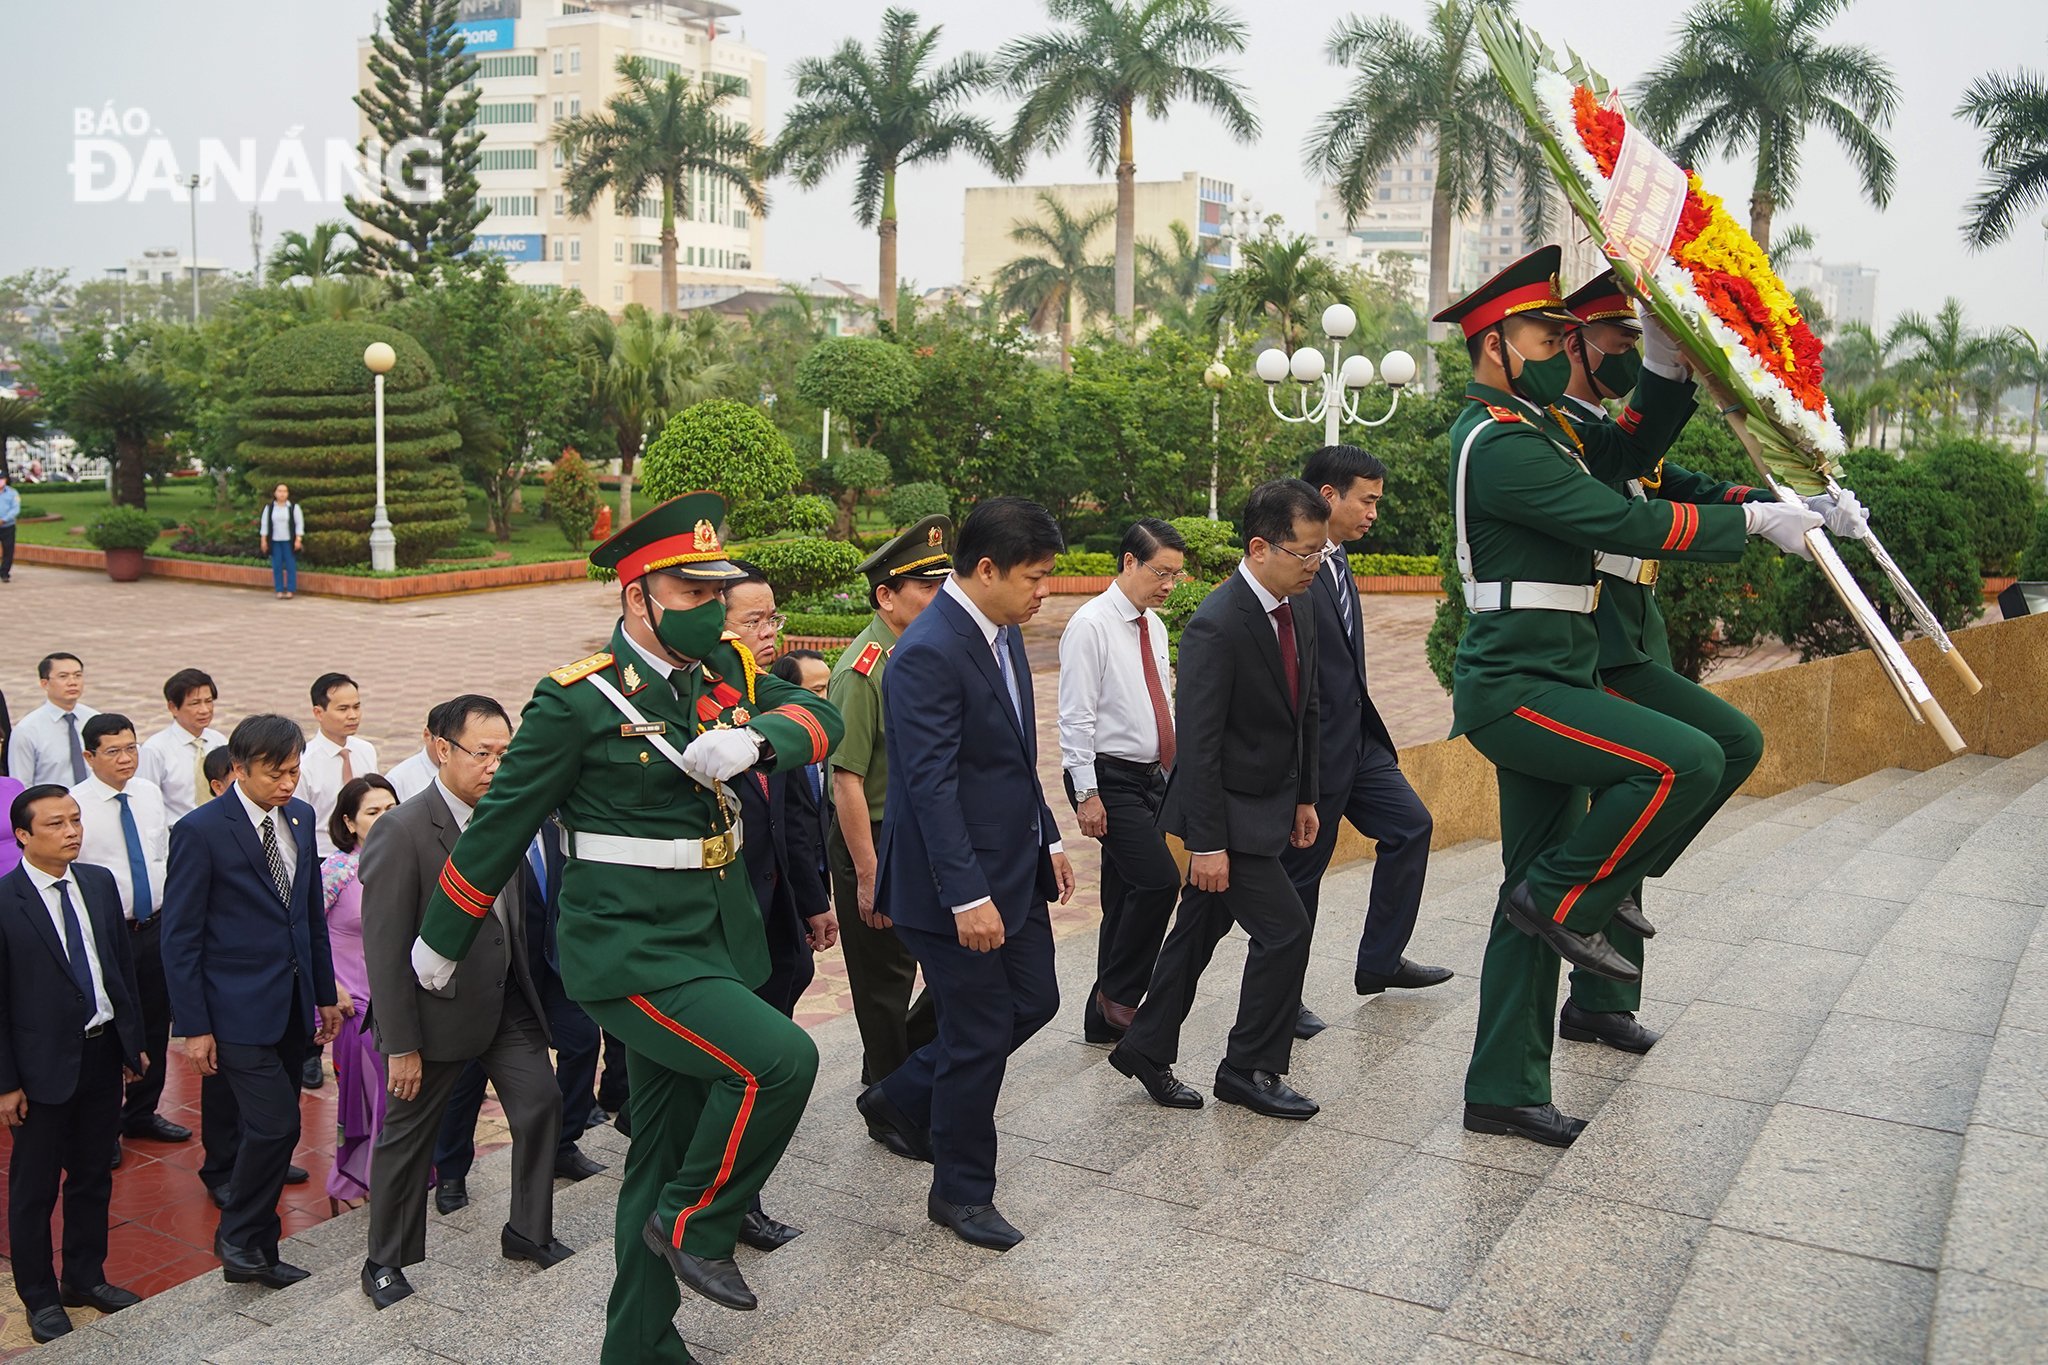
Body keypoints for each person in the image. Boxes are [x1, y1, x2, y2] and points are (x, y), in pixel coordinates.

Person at [406, 493, 839, 1362]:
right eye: (691, 591)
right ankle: (695, 1223)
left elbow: (822, 716)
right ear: (638, 596)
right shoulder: (574, 701)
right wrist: (441, 938)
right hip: (629, 950)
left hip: (713, 938)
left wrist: (756, 741)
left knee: (661, 1146)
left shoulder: (719, 667)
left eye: (718, 589)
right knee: (782, 1060)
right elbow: (500, 825)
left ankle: (637, 1341)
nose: (713, 608)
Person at [1435, 247, 1821, 1147]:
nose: (1562, 343)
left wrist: (1657, 363)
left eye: (1569, 330)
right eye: (1544, 331)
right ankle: (1579, 899)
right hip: (1515, 687)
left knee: (1525, 889)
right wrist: (1754, 523)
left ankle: (1503, 1084)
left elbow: (1632, 455)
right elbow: (1621, 518)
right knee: (1683, 758)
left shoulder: (1544, 431)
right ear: (1494, 347)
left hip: (1554, 675)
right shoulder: (1498, 445)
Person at [1554, 270, 1865, 1053]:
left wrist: (1802, 513)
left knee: (1714, 758)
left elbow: (1685, 485)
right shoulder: (1564, 430)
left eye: (1639, 341)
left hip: (1633, 639)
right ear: (1575, 343)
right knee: (1638, 797)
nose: (1632, 353)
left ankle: (1605, 993)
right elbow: (1627, 484)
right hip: (1589, 648)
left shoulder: (1621, 436)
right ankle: (1595, 983)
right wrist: (1661, 382)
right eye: (1623, 341)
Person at [859, 497, 1076, 1252]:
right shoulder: (927, 651)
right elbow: (930, 785)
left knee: (1036, 999)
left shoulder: (1002, 630)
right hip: (949, 889)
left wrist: (1047, 835)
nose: (1044, 590)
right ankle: (960, 1192)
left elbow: (1014, 754)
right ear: (985, 569)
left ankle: (902, 1093)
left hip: (1012, 866)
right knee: (981, 1031)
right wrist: (969, 896)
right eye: (1035, 576)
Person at [1108, 480, 1329, 1121]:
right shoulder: (1216, 623)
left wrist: (1306, 798)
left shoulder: (1301, 604)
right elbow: (1199, 746)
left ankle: (1145, 1048)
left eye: (1320, 553)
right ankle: (1248, 1068)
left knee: (1198, 931)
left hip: (1273, 804)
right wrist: (1207, 843)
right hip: (1224, 817)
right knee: (1286, 930)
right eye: (1304, 553)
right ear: (1260, 548)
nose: (1315, 564)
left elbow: (1305, 710)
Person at [359, 695, 572, 1310]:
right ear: (440, 749)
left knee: (540, 1102)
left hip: (503, 1003)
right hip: (431, 1017)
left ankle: (526, 1231)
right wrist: (401, 1045)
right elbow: (385, 949)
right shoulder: (403, 830)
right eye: (482, 754)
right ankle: (384, 1261)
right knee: (407, 1140)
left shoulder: (502, 813)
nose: (494, 766)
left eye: (505, 753)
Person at [160, 713, 342, 1287]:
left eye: (293, 771)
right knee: (273, 1125)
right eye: (275, 773)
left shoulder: (302, 816)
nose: (288, 783)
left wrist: (323, 992)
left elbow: (308, 915)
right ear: (238, 769)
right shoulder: (201, 830)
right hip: (232, 1009)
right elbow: (181, 937)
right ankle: (237, 1235)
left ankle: (259, 1247)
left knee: (280, 1128)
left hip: (291, 1004)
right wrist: (193, 1025)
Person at [1283, 447, 1449, 1034]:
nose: (1374, 512)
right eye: (1368, 499)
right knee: (1302, 876)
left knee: (1411, 826)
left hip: (1359, 743)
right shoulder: (1292, 568)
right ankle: (1281, 997)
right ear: (1329, 497)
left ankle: (1380, 960)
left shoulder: (1339, 558)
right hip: (1313, 756)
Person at [1, 785, 148, 1343]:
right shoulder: (6, 901)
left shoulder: (99, 883)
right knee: (34, 1188)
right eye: (56, 824)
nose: (72, 832)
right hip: (39, 1070)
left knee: (92, 1176)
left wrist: (132, 1043)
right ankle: (38, 1296)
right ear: (22, 835)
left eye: (76, 820)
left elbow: (118, 969)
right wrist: (6, 1082)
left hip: (101, 1051)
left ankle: (85, 1278)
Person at [720, 565, 836, 1252]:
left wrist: (816, 901)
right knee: (740, 1070)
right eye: (754, 621)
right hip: (720, 928)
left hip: (777, 919)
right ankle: (730, 1202)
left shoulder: (780, 703)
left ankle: (741, 1192)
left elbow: (795, 817)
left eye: (774, 620)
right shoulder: (694, 706)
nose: (769, 634)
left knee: (767, 1068)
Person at [827, 516, 951, 1147]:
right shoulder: (861, 669)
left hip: (919, 832)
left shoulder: (923, 652)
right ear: (886, 596)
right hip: (871, 837)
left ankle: (895, 1084)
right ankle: (890, 1103)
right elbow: (845, 778)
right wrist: (869, 872)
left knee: (949, 966)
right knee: (883, 984)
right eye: (926, 588)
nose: (940, 599)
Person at [431, 808, 607, 1215]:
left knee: (582, 1043)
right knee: (469, 1076)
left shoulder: (556, 822)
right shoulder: (482, 830)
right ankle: (452, 1172)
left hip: (555, 966)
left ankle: (563, 1144)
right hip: (500, 977)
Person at [1056, 518, 1189, 1044]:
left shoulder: (1151, 624)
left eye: (1177, 576)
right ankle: (1121, 996)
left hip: (1149, 778)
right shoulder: (1090, 625)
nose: (1169, 586)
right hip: (1106, 777)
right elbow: (1075, 719)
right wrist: (1087, 794)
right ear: (1130, 562)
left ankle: (1101, 1015)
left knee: (1125, 891)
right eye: (1162, 573)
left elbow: (1161, 701)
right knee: (1159, 882)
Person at [71, 714, 188, 1157]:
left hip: (155, 926)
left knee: (156, 1021)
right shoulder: (75, 804)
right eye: (114, 751)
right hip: (107, 933)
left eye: (132, 748)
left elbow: (158, 856)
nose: (126, 758)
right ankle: (104, 1128)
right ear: (89, 756)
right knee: (115, 1025)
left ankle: (141, 1112)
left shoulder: (148, 794)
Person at [321, 774, 397, 1214]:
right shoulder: (336, 871)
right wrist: (330, 985)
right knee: (373, 1099)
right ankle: (364, 1177)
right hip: (355, 1005)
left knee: (404, 1096)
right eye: (373, 812)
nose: (385, 819)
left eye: (391, 809)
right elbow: (307, 932)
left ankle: (398, 1174)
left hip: (400, 998)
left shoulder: (406, 860)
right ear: (349, 822)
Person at [301, 672, 378, 860]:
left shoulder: (366, 750)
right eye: (343, 709)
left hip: (366, 851)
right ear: (318, 713)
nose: (353, 715)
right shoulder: (304, 763)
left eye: (357, 707)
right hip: (323, 855)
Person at [138, 669, 229, 827]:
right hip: (178, 832)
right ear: (173, 707)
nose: (205, 710)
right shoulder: (155, 749)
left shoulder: (218, 740)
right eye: (195, 703)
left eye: (208, 701)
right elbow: (147, 801)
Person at [8, 653, 100, 787]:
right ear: (44, 683)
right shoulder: (27, 730)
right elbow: (22, 784)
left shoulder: (94, 718)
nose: (72, 682)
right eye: (63, 676)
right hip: (51, 805)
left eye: (77, 675)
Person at [381, 704, 447, 802]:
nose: (452, 751)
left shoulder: (473, 770)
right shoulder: (398, 781)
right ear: (427, 735)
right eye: (444, 743)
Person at [259, 483, 303, 600]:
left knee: (290, 565)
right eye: (280, 491)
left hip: (289, 541)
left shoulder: (293, 507)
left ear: (288, 494)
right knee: (277, 565)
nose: (282, 494)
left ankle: (290, 589)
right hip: (275, 541)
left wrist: (298, 539)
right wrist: (263, 540)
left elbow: (299, 524)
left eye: (285, 491)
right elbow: (264, 525)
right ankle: (279, 589)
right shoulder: (269, 508)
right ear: (275, 493)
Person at [1, 467, 18, 582]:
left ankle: (5, 572)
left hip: (8, 526)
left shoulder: (12, 493)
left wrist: (4, 519)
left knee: (8, 550)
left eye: (2, 479)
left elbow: (15, 509)